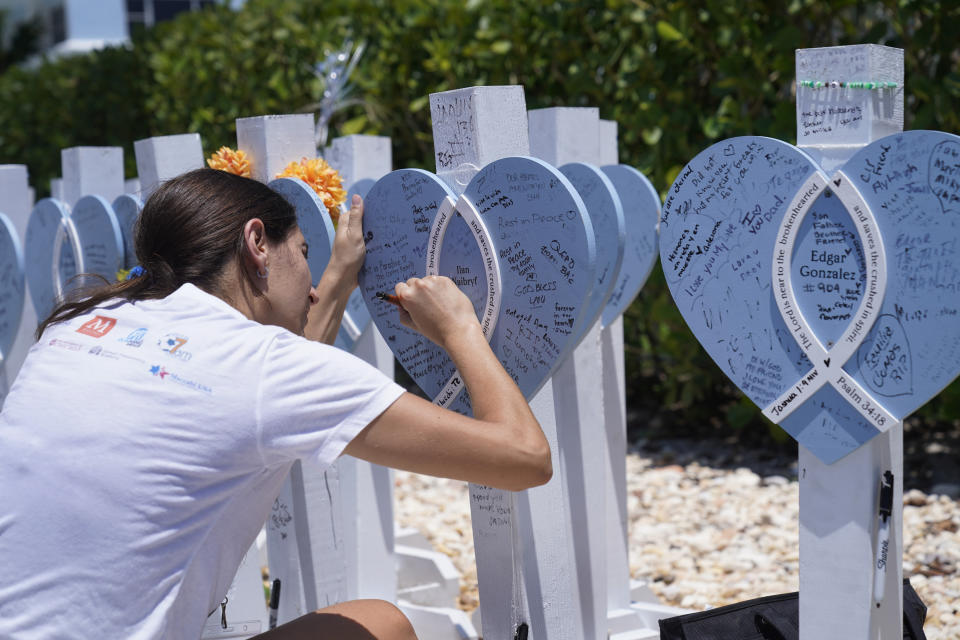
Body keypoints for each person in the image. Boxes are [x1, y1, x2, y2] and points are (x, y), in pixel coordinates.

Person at [0, 168, 551, 639]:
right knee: (381, 625)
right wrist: (460, 328)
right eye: (304, 254)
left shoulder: (80, 323)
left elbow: (253, 396)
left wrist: (337, 277)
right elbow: (524, 459)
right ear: (257, 242)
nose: (312, 288)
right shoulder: (265, 369)